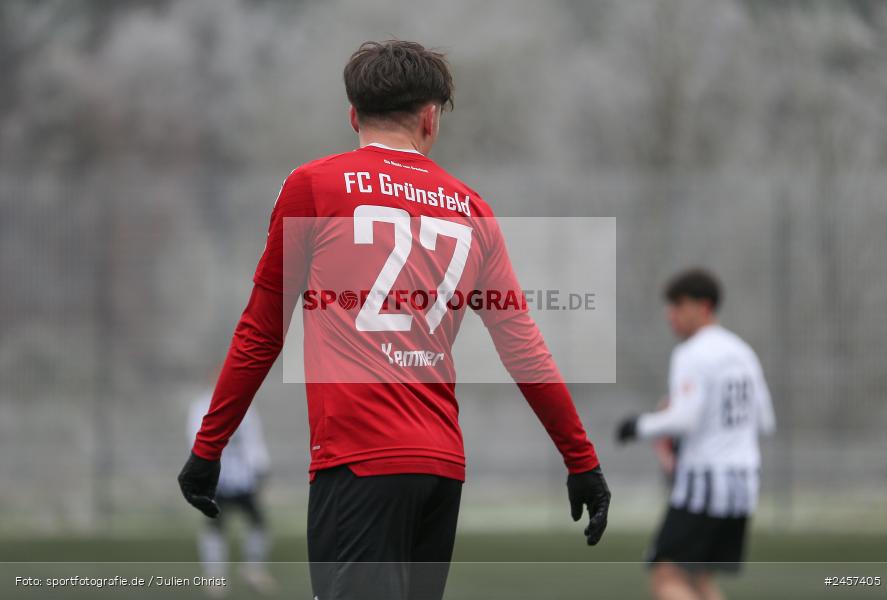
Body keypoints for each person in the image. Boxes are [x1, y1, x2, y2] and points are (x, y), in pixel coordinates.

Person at [177, 40, 611, 600]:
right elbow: (524, 350)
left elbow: (261, 331)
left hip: (359, 463)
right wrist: (581, 461)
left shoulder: (315, 186)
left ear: (353, 115)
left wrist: (209, 445)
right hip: (441, 469)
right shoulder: (473, 209)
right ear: (431, 118)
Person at [617, 269, 776, 600]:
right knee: (699, 579)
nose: (670, 315)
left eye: (678, 305)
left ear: (703, 306)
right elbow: (765, 420)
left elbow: (684, 420)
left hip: (705, 481)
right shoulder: (742, 352)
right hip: (743, 482)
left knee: (666, 576)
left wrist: (637, 426)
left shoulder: (692, 353)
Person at [186, 395, 276, 597]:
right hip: (218, 478)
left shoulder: (246, 404)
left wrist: (260, 467)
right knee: (214, 525)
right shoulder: (202, 405)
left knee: (258, 522)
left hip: (244, 477)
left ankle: (253, 569)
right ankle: (214, 575)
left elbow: (253, 439)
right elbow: (195, 437)